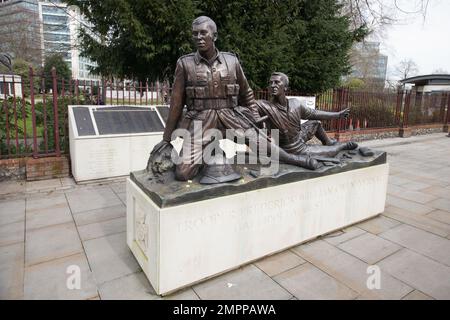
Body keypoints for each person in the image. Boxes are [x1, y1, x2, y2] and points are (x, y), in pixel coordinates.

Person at [148, 16, 318, 183]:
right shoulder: (185, 64)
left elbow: (247, 94)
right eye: (195, 34)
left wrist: (255, 118)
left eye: (203, 33)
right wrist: (167, 137)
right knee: (183, 173)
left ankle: (297, 160)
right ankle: (211, 152)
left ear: (214, 36)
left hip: (231, 115)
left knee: (262, 144)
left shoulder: (231, 61)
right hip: (201, 120)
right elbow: (176, 104)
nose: (198, 38)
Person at [256, 72, 358, 158]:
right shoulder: (264, 106)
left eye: (277, 82)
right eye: (271, 83)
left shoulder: (295, 103)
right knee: (331, 152)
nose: (273, 85)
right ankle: (343, 146)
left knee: (316, 123)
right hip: (291, 148)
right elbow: (246, 107)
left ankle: (328, 142)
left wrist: (338, 115)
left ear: (285, 87)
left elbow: (314, 113)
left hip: (299, 137)